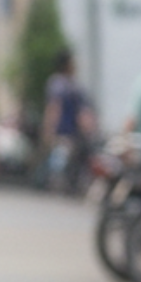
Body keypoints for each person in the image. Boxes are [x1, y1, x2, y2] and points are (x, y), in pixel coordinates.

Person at [40, 49, 96, 189]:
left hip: (73, 132)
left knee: (67, 163)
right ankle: (57, 185)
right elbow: (54, 108)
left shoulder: (71, 84)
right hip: (63, 132)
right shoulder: (60, 84)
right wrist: (49, 129)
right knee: (60, 163)